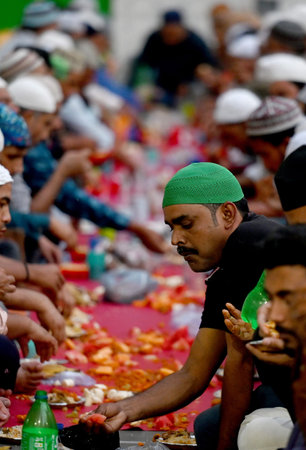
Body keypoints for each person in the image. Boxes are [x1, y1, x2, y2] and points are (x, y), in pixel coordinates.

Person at [81, 162, 281, 449]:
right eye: (171, 227)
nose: (176, 239)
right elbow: (193, 374)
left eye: (186, 224)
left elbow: (240, 362)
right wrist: (126, 410)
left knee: (240, 434)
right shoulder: (230, 261)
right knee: (208, 427)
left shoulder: (247, 241)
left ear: (227, 214)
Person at [130, 10, 218, 104]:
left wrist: (192, 81)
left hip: (189, 88)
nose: (171, 37)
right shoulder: (155, 39)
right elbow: (143, 64)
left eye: (174, 33)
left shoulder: (194, 41)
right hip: (161, 87)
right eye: (168, 33)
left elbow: (210, 64)